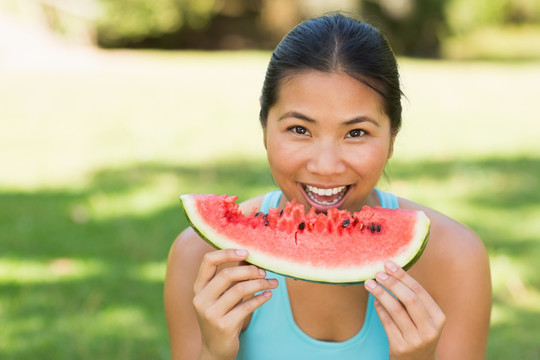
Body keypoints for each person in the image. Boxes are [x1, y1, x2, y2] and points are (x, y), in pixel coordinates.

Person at [164, 13, 491, 360]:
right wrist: (213, 353)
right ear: (264, 126)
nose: (325, 165)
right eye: (299, 130)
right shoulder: (200, 257)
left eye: (356, 133)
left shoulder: (455, 258)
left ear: (392, 136)